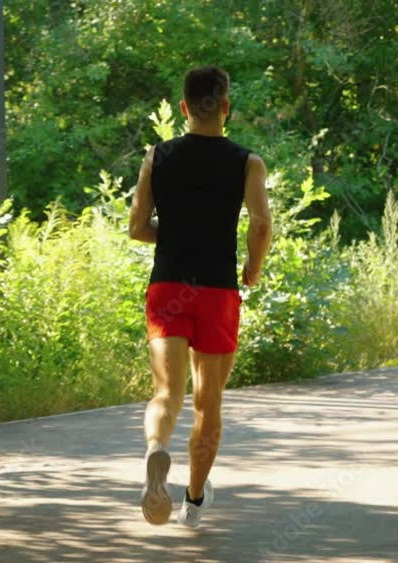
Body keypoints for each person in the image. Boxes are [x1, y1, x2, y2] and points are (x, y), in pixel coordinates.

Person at [128, 65, 272, 527]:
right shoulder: (247, 162)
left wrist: (172, 236)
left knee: (166, 393)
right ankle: (192, 502)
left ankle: (156, 449)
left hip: (169, 286)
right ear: (225, 108)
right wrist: (253, 266)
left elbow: (137, 228)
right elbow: (261, 224)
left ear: (185, 108)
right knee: (208, 402)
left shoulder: (157, 157)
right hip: (217, 293)